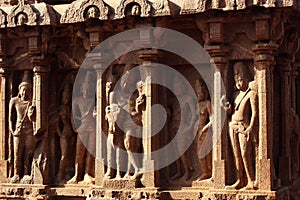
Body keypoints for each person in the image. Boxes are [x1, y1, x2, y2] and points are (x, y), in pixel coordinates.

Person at [222, 62, 258, 190]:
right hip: (233, 126)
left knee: (245, 154)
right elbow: (232, 112)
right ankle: (240, 179)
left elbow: (255, 113)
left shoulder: (251, 94)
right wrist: (228, 109)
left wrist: (251, 128)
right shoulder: (235, 95)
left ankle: (251, 180)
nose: (238, 79)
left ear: (247, 77)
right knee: (236, 154)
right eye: (236, 77)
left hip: (244, 127)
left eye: (240, 77)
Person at [67, 72, 96, 184]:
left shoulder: (94, 100)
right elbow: (73, 116)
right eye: (85, 88)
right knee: (79, 152)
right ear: (81, 89)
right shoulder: (77, 101)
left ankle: (87, 173)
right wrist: (75, 128)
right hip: (82, 128)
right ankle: (77, 174)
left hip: (92, 127)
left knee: (91, 151)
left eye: (89, 88)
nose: (87, 91)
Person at [168, 79, 197, 181]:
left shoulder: (188, 98)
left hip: (183, 126)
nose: (177, 88)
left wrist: (189, 127)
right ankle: (179, 171)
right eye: (175, 86)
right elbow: (169, 112)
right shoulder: (173, 100)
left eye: (179, 86)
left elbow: (194, 114)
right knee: (175, 150)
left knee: (182, 150)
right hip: (173, 126)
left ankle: (187, 171)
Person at [9, 81, 36, 183]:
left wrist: (31, 113)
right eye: (23, 90)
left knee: (28, 153)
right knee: (17, 153)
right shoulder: (14, 101)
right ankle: (16, 173)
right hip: (18, 131)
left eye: (27, 91)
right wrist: (12, 130)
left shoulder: (30, 103)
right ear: (19, 91)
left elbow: (33, 119)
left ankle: (26, 173)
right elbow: (10, 118)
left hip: (29, 130)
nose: (25, 93)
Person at [194, 79, 212, 181]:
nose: (199, 94)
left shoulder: (207, 103)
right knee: (199, 153)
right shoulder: (199, 104)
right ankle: (205, 172)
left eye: (200, 92)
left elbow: (212, 119)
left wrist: (205, 129)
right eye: (197, 92)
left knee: (205, 152)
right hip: (198, 130)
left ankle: (209, 172)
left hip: (206, 131)